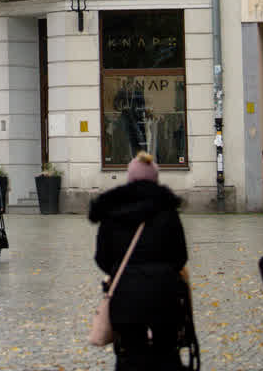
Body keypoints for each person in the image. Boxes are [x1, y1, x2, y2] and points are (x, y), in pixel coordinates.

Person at [89, 152, 189, 371]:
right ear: (155, 179)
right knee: (166, 352)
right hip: (164, 297)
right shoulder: (167, 211)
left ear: (129, 178)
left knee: (131, 352)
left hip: (125, 299)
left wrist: (120, 271)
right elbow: (180, 256)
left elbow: (102, 257)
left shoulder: (112, 211)